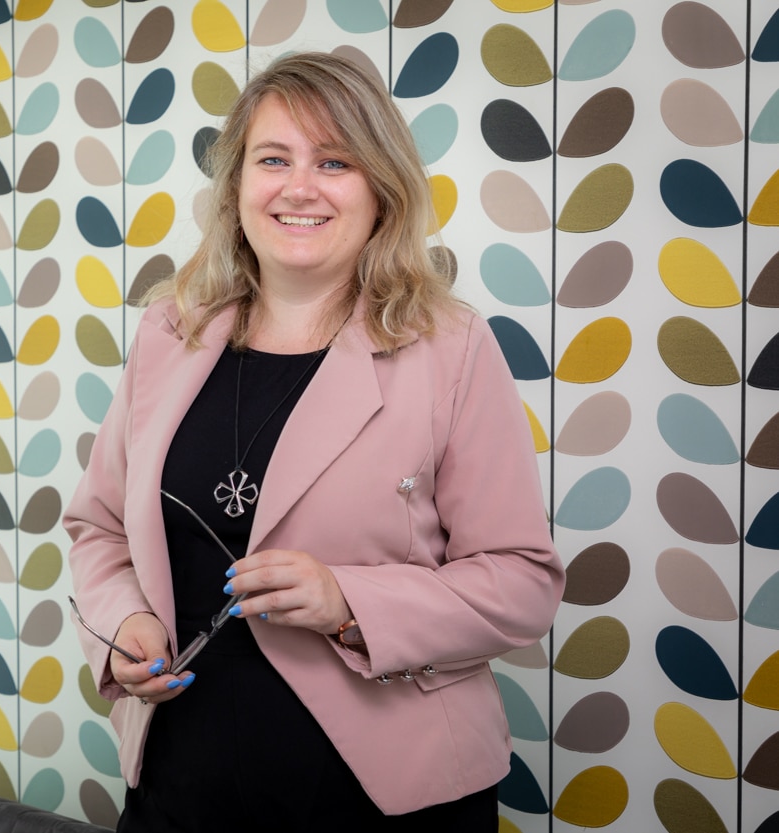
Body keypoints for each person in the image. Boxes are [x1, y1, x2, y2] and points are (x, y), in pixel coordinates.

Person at [63, 51, 563, 831]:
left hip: (390, 803)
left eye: (334, 161)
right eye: (273, 159)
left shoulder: (453, 347)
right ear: (237, 185)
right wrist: (124, 623)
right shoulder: (167, 334)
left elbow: (524, 581)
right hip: (178, 791)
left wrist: (348, 602)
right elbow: (96, 528)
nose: (299, 187)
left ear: (381, 189)